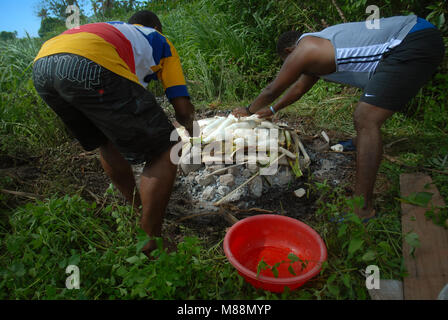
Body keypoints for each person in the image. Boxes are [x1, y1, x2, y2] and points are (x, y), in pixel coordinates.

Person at [233, 15, 445, 220]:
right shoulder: (319, 45)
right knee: (369, 113)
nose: (290, 67)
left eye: (286, 62)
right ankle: (360, 142)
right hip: (414, 37)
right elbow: (298, 89)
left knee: (366, 118)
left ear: (290, 51)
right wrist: (271, 110)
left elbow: (272, 89)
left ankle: (362, 208)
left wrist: (247, 110)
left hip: (411, 39)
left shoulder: (305, 49)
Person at [32, 10, 195, 257]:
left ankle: (136, 211)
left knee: (106, 140)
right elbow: (182, 108)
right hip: (89, 61)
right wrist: (194, 133)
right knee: (167, 147)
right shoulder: (160, 40)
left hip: (43, 65)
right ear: (158, 28)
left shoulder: (118, 31)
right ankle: (150, 241)